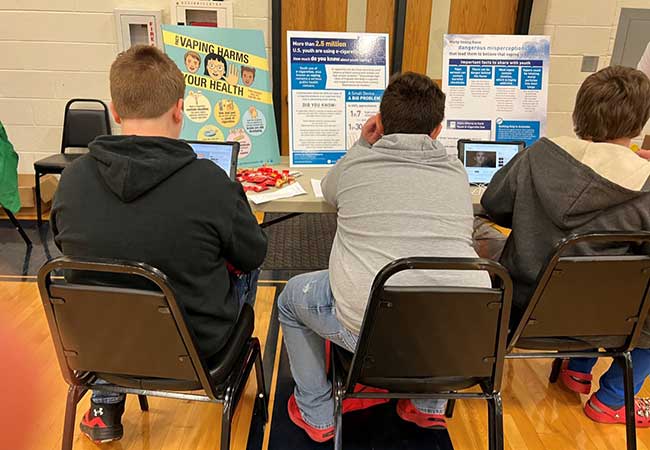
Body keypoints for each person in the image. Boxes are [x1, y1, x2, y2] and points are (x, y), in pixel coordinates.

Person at [50, 45, 267, 443]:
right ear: (179, 110)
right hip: (197, 351)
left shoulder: (73, 180)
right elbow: (254, 253)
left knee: (101, 273)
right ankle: (225, 379)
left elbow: (65, 244)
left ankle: (106, 401)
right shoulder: (210, 182)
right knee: (245, 261)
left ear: (115, 112)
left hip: (98, 349)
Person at [277, 72, 491, 442]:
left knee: (290, 299)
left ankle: (317, 412)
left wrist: (363, 142)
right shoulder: (457, 171)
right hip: (452, 334)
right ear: (437, 131)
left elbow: (329, 190)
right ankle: (427, 406)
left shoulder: (357, 164)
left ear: (381, 120)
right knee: (442, 292)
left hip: (366, 331)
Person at [481, 65, 650, 426]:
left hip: (519, 309)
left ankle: (578, 369)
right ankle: (612, 399)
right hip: (606, 320)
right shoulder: (646, 184)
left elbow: (494, 204)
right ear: (640, 122)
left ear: (579, 111)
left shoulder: (539, 155)